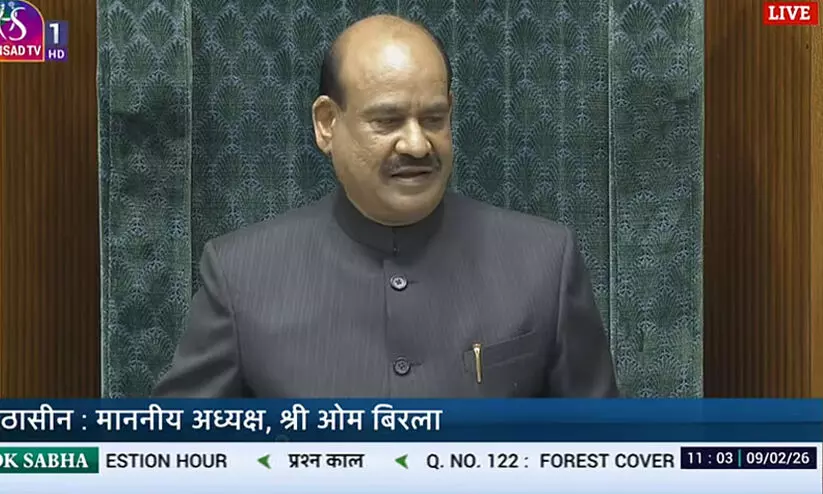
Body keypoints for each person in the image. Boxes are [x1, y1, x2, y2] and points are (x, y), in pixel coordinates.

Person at [153, 14, 618, 398]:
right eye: (388, 120)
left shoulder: (543, 261)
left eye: (433, 118)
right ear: (327, 124)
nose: (417, 144)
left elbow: (604, 454)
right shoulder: (241, 275)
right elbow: (174, 457)